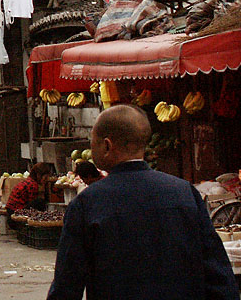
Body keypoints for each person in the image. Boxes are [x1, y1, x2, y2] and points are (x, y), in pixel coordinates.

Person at [48, 105, 238, 300]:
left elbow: (67, 284)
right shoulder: (184, 193)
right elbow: (217, 273)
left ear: (107, 145)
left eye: (92, 142)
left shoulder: (87, 204)